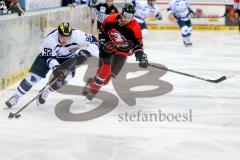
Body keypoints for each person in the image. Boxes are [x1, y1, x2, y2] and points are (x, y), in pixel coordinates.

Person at [5, 22, 99, 108]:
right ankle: (16, 97)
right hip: (49, 57)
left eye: (67, 37)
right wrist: (57, 68)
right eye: (62, 37)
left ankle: (46, 92)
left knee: (65, 79)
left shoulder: (78, 35)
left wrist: (86, 52)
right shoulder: (50, 40)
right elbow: (49, 58)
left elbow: (95, 42)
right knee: (33, 78)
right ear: (58, 34)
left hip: (68, 58)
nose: (65, 40)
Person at [82, 3, 149, 100]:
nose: (126, 19)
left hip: (122, 53)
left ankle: (90, 82)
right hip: (108, 48)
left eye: (130, 17)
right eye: (125, 15)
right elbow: (102, 31)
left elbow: (137, 45)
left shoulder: (135, 27)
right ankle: (92, 92)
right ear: (122, 13)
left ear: (133, 17)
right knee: (104, 70)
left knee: (106, 80)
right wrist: (103, 42)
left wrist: (141, 57)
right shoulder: (110, 19)